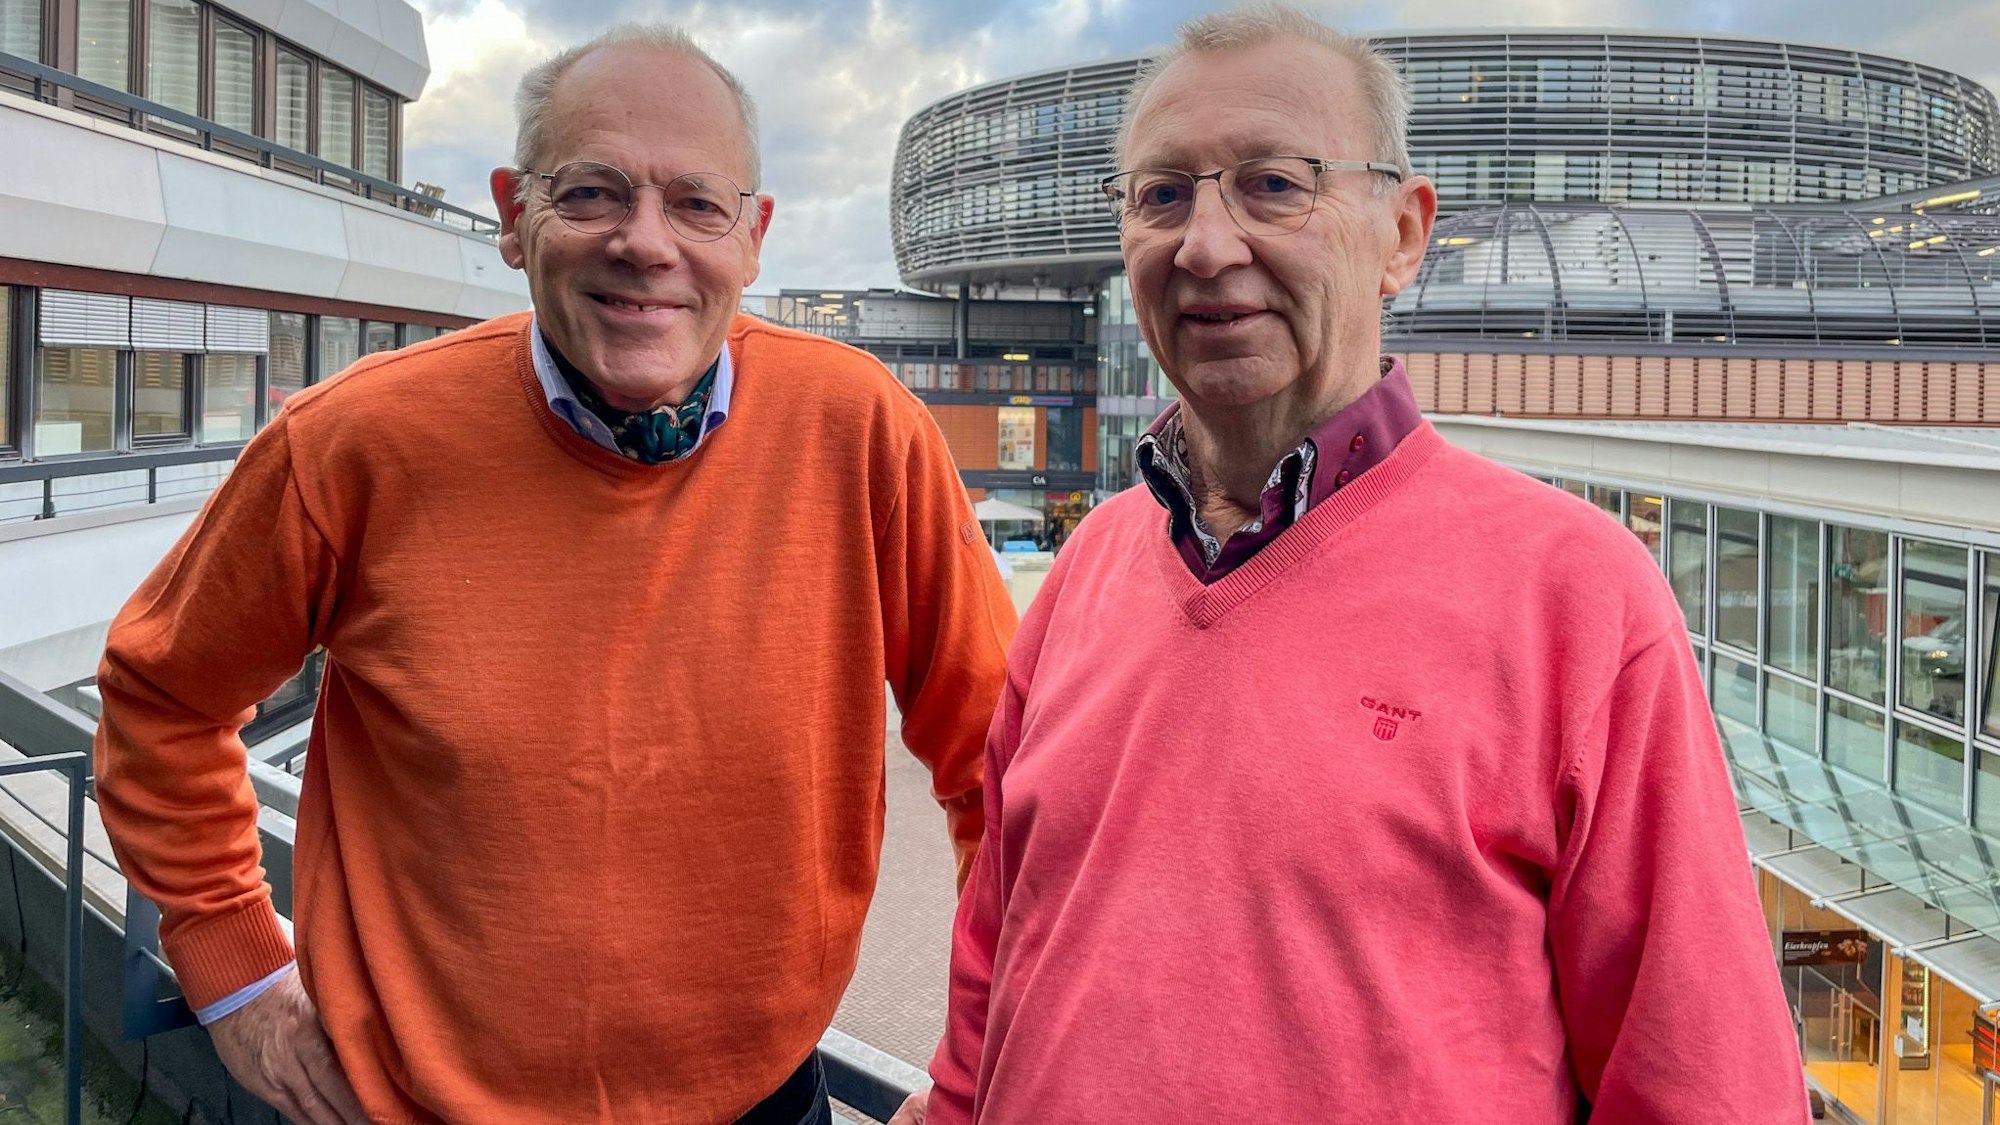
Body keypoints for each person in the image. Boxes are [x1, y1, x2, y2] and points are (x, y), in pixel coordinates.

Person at [94, 24, 1015, 1125]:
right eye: (590, 194)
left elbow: (1004, 772)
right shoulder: (352, 445)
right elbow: (163, 696)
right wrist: (234, 969)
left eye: (696, 204)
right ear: (510, 215)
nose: (644, 243)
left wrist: (972, 1072)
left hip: (762, 1104)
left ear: (754, 237)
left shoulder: (865, 436)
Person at [903, 6, 1808, 1123]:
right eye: (1161, 193)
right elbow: (996, 951)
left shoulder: (1574, 597)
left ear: (1402, 234)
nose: (1205, 243)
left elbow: (1703, 1081)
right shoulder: (1088, 568)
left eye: (1272, 184)